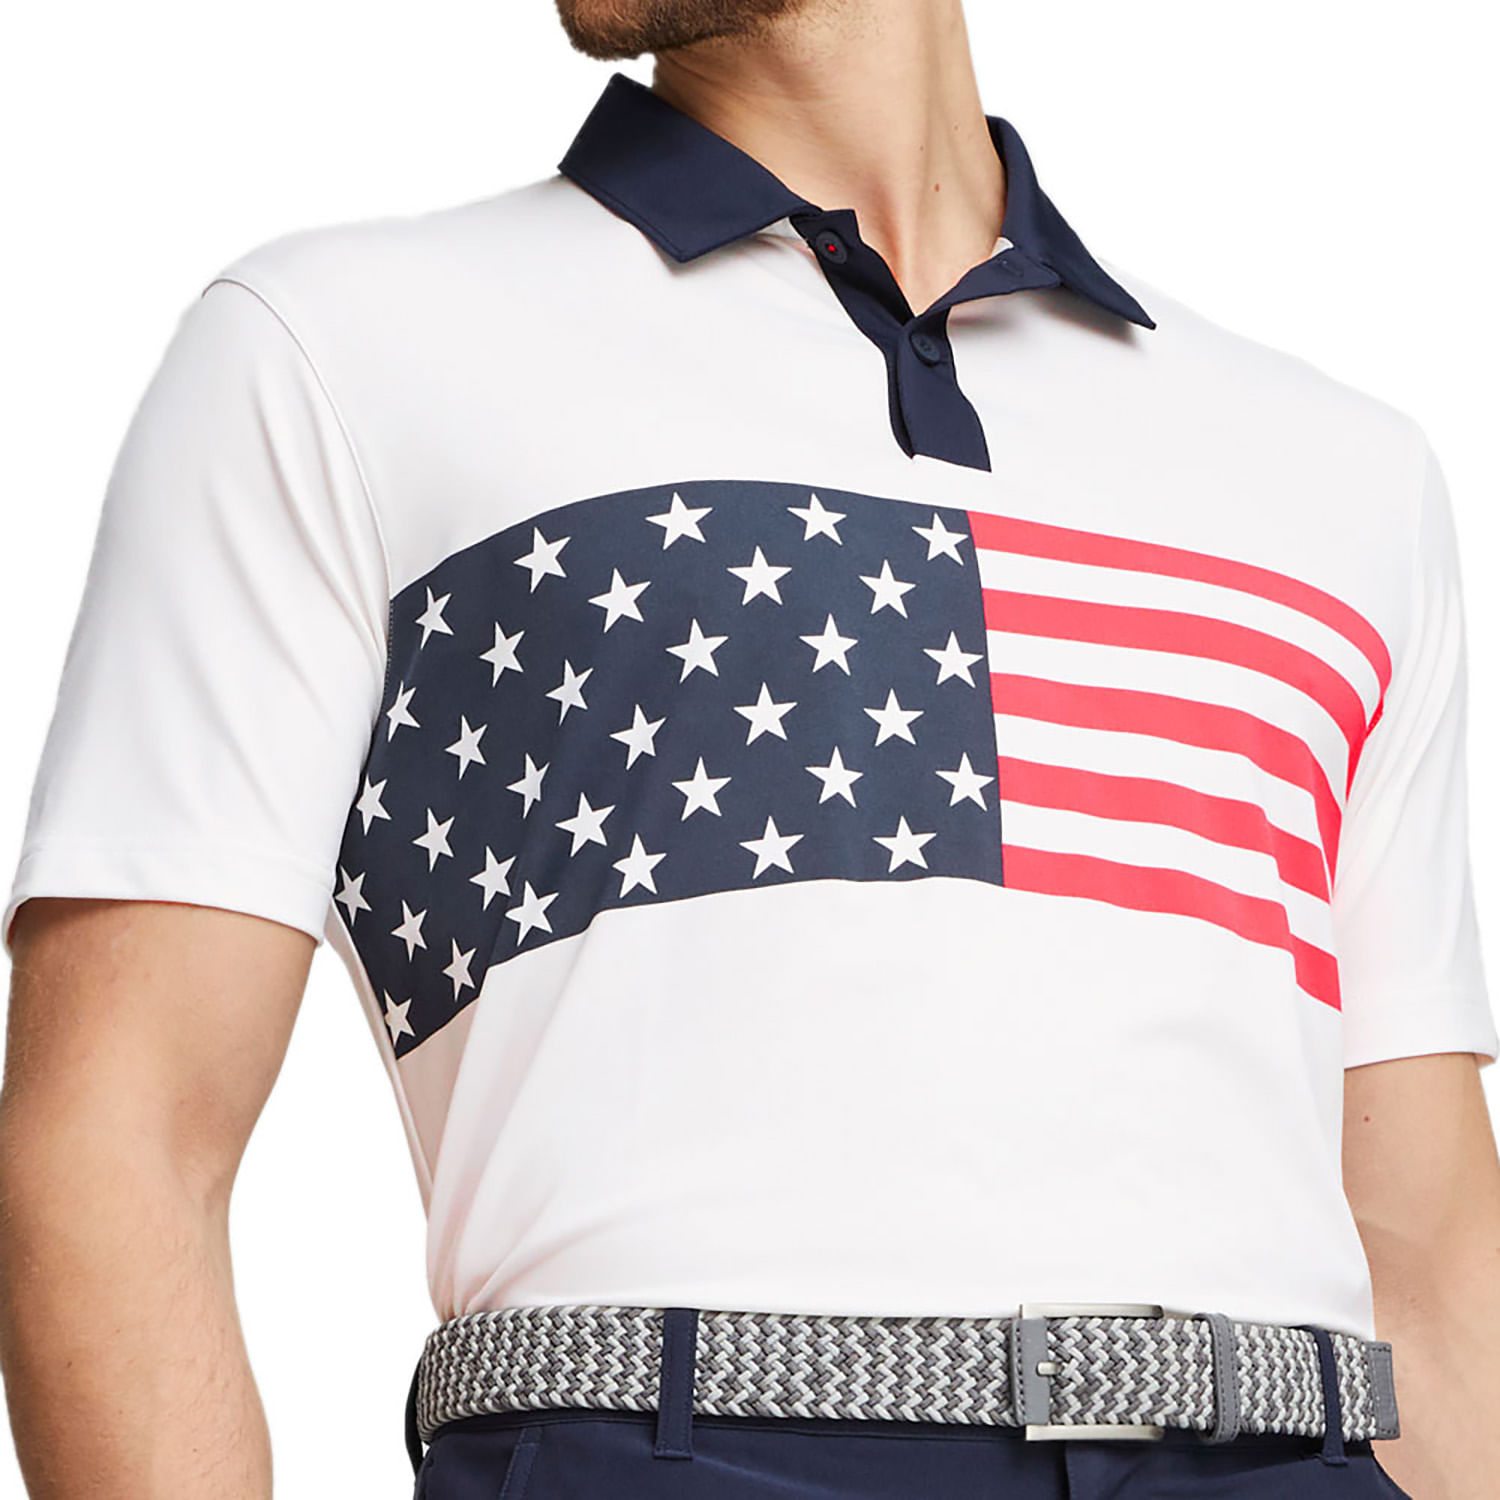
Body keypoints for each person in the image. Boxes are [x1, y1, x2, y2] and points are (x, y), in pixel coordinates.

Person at [1, 0, 1497, 1495]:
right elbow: (121, 1139)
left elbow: (1426, 1248)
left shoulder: (1341, 472)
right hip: (669, 1440)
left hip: (1281, 1445)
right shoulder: (331, 349)